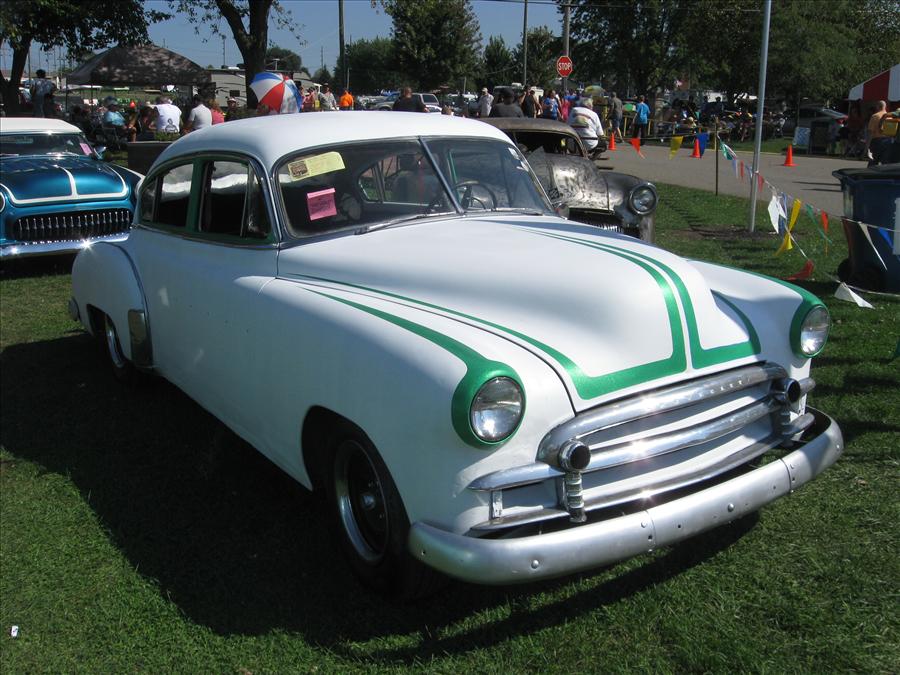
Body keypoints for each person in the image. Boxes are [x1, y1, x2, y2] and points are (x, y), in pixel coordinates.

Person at [865, 100, 889, 166]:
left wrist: (867, 145)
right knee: (885, 163)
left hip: (876, 141)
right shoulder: (890, 117)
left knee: (872, 162)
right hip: (888, 141)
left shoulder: (875, 116)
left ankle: (870, 172)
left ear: (878, 106)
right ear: (885, 107)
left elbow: (870, 132)